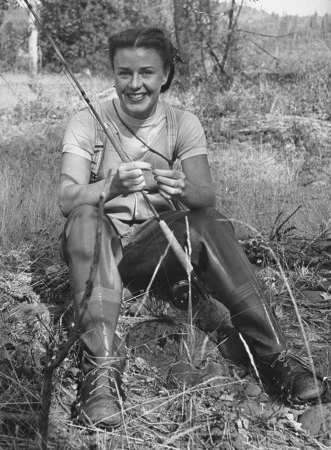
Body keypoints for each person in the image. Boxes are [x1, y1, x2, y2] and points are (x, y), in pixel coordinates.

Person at [59, 27, 326, 429]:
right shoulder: (85, 122)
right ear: (112, 74)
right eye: (124, 73)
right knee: (83, 216)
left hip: (155, 252)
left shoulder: (183, 123)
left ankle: (276, 359)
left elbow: (205, 198)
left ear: (165, 74)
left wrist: (181, 185)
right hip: (100, 245)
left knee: (211, 222)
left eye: (146, 73)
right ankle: (99, 371)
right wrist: (109, 186)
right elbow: (66, 199)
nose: (135, 84)